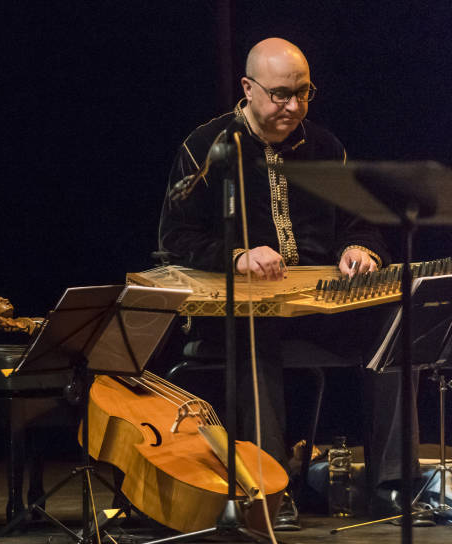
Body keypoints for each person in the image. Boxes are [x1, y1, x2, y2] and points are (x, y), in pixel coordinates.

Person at [158, 38, 428, 529]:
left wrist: (359, 250)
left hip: (318, 309)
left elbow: (359, 224)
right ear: (248, 87)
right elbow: (175, 237)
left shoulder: (323, 146)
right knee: (255, 335)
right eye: (280, 94)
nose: (293, 106)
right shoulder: (210, 147)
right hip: (244, 318)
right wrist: (238, 255)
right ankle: (270, 488)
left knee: (396, 333)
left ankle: (393, 486)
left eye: (303, 93)